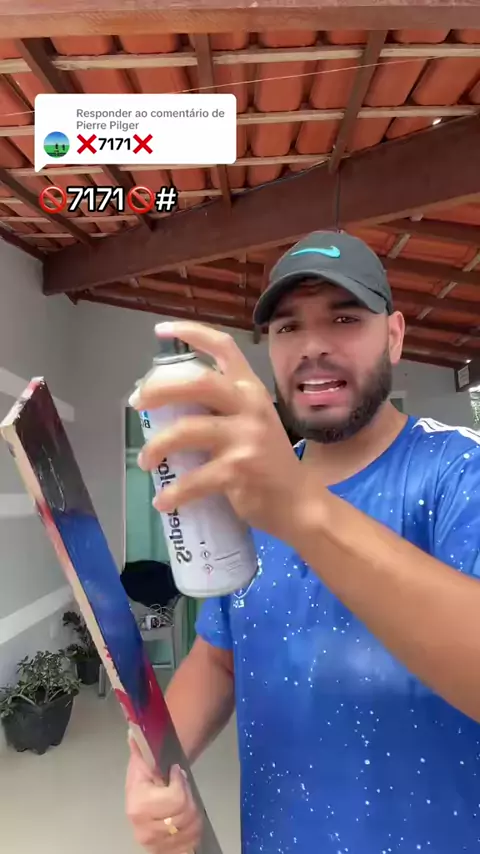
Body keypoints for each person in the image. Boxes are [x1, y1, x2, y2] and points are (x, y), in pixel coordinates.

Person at [125, 231, 480, 854]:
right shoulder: (247, 484)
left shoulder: (458, 471)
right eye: (288, 327)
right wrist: (152, 763)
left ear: (394, 335)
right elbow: (219, 657)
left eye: (344, 318)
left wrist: (299, 508)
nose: (313, 346)